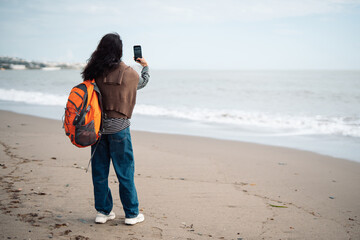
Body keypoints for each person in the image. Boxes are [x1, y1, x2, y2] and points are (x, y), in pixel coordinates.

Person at [81, 33, 149, 225]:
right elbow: (141, 83)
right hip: (120, 130)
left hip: (98, 129)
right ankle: (131, 214)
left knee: (100, 172)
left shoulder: (93, 71)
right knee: (125, 172)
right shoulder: (128, 72)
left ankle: (102, 212)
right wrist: (145, 67)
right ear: (119, 50)